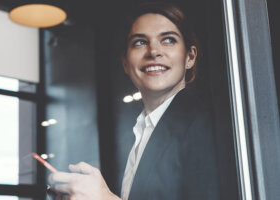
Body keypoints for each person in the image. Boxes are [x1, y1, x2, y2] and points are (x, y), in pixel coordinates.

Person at [49, 2, 220, 200]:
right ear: (125, 63)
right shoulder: (138, 133)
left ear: (190, 57)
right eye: (139, 42)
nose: (153, 51)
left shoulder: (206, 125)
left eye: (168, 40)